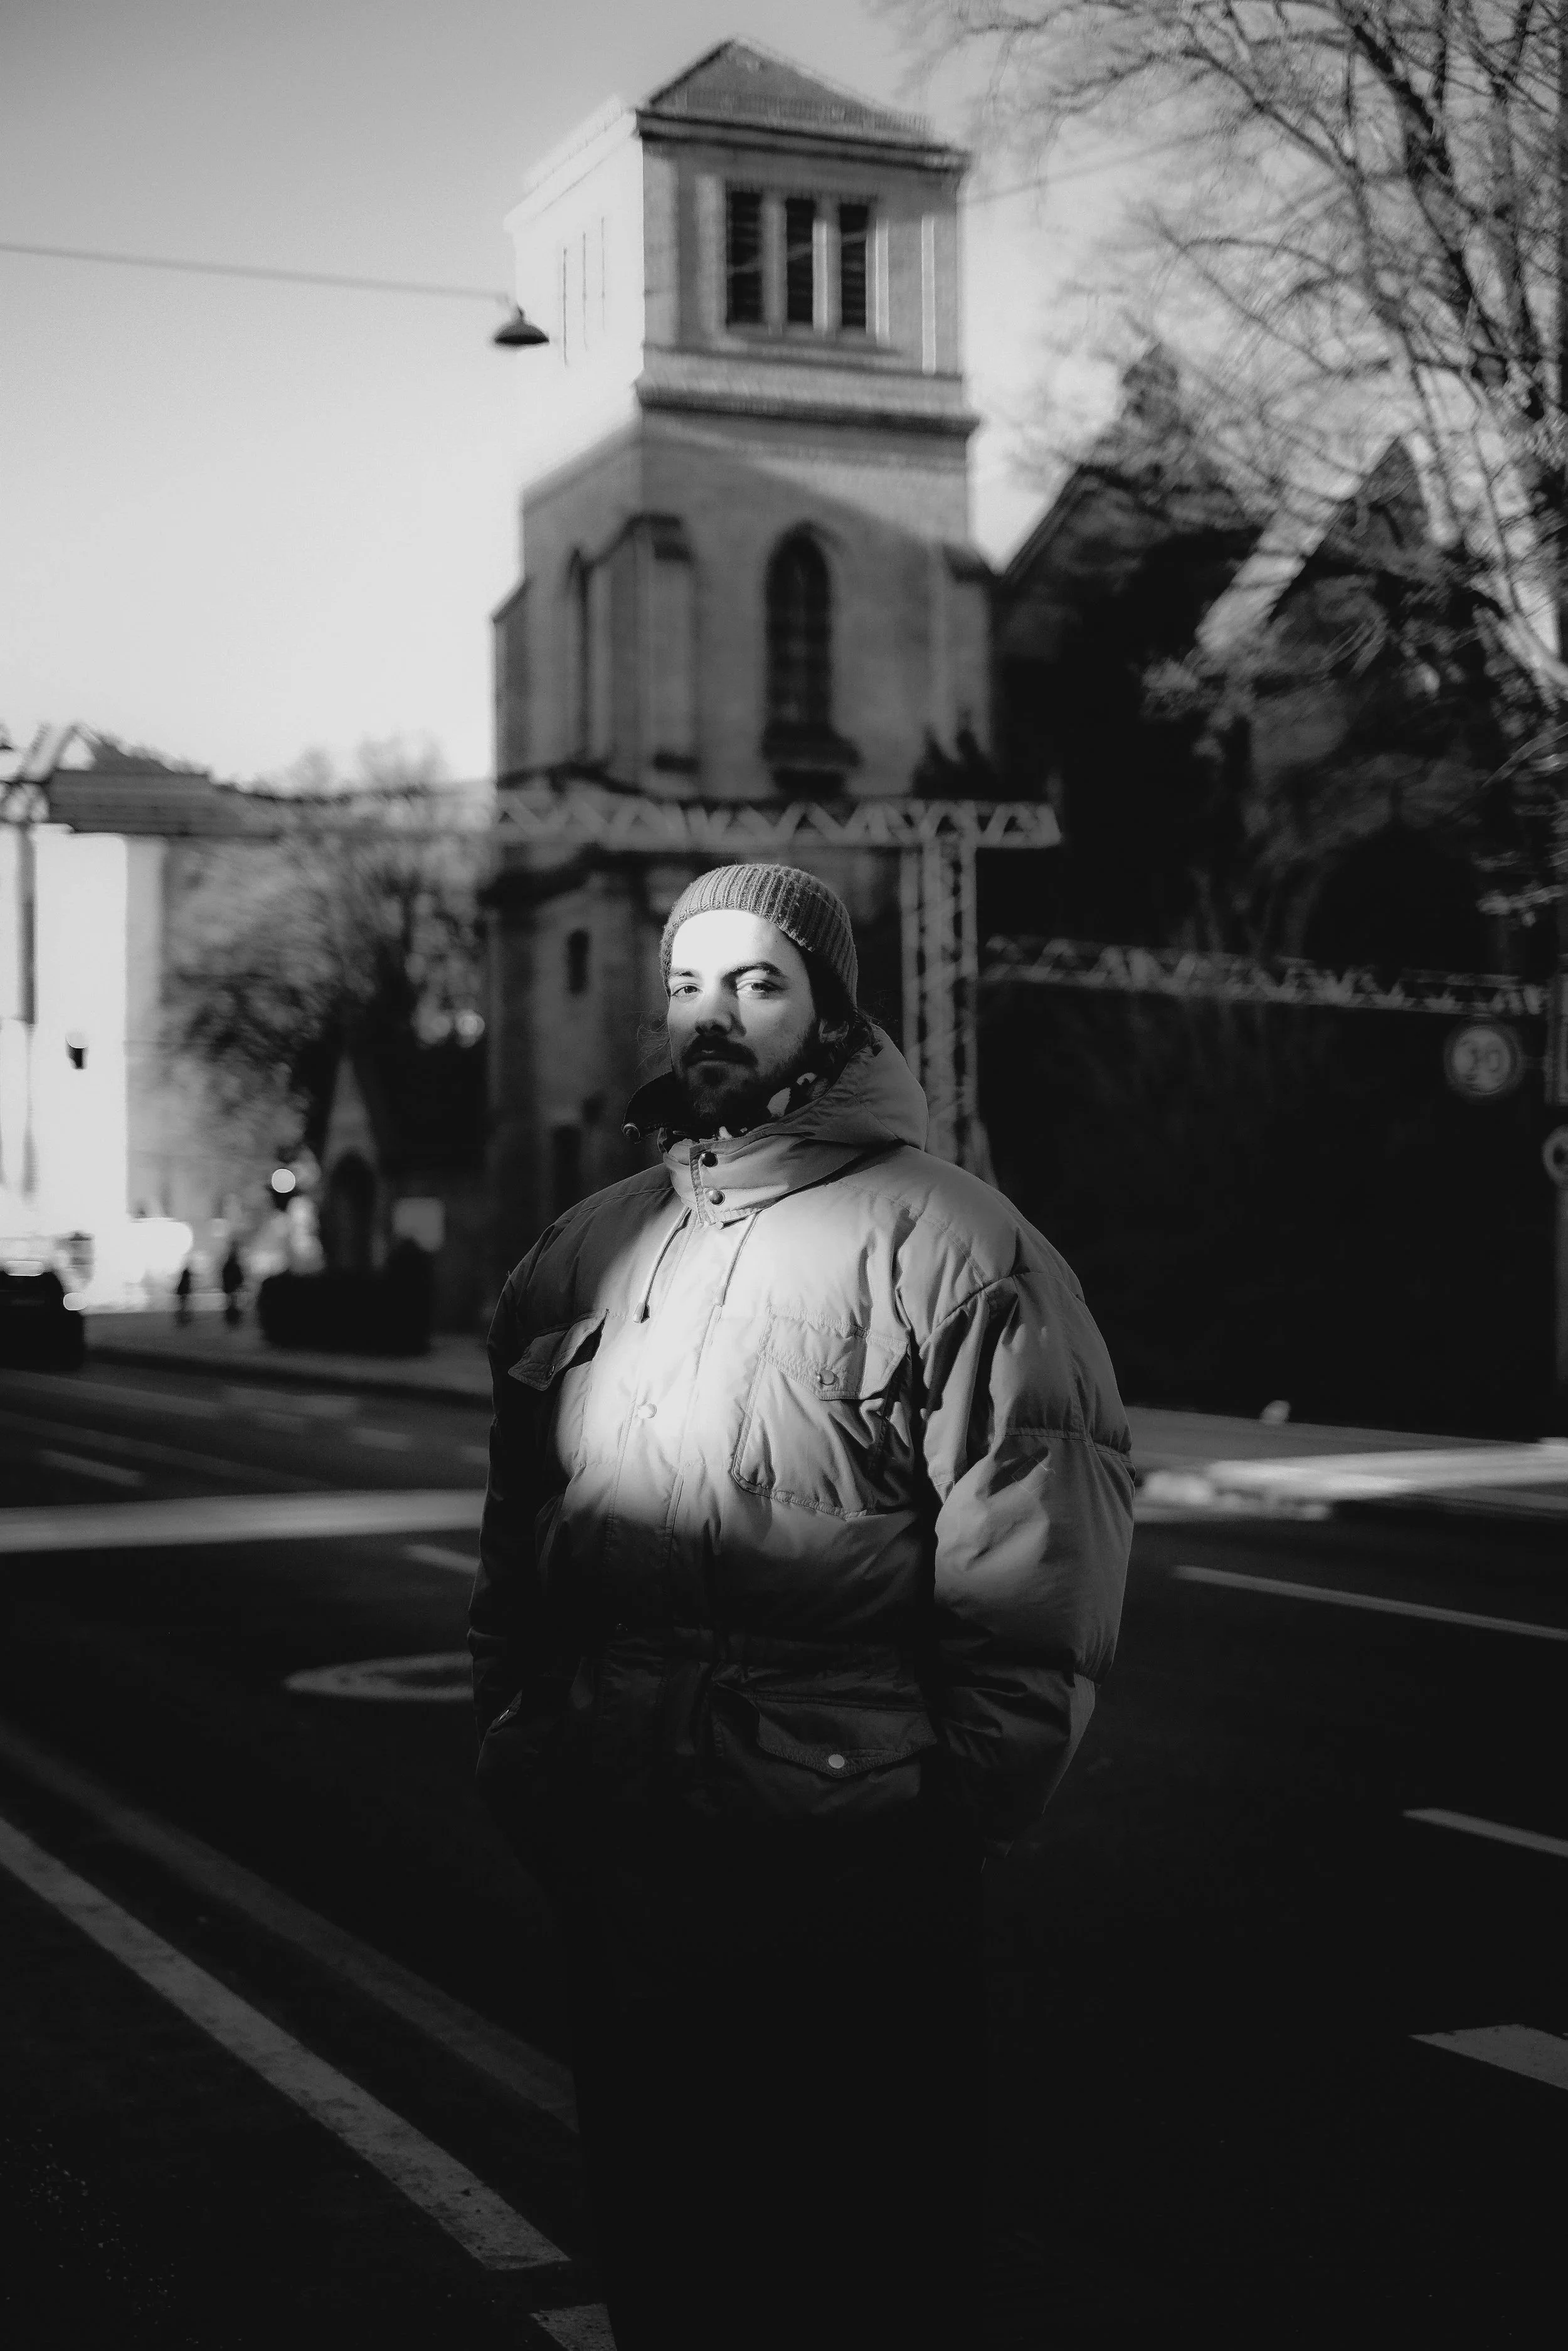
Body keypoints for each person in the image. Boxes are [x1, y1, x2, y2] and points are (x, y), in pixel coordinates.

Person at [470, 862, 1133, 2350]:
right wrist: (527, 1741)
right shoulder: (588, 1249)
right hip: (630, 1839)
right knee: (670, 2242)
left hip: (850, 1862)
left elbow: (1039, 1566)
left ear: (833, 1010)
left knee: (865, 2260)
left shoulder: (956, 1245)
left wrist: (941, 1805)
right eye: (689, 985)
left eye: (759, 981)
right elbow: (522, 1542)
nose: (716, 1014)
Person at [219, 1241, 245, 1327]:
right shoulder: (235, 1265)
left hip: (229, 1287)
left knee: (230, 1303)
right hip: (233, 1287)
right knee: (234, 1303)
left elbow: (224, 1276)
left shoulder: (228, 1265)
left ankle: (231, 1319)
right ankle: (233, 1319)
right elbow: (239, 1276)